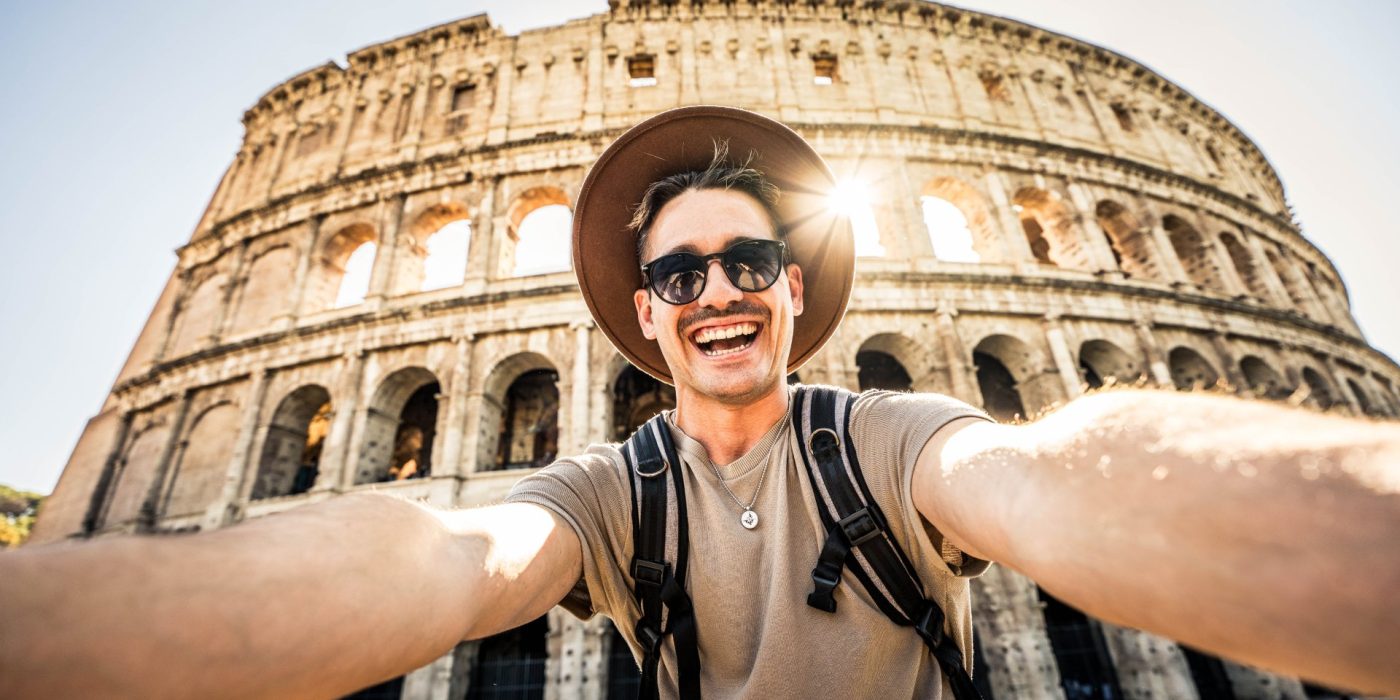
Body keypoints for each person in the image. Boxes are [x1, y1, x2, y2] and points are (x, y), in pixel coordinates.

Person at [2, 106, 1397, 699]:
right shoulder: (611, 486)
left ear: (794, 292)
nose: (717, 286)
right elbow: (442, 555)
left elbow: (1058, 472)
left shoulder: (892, 436)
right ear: (646, 311)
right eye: (679, 270)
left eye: (751, 259)